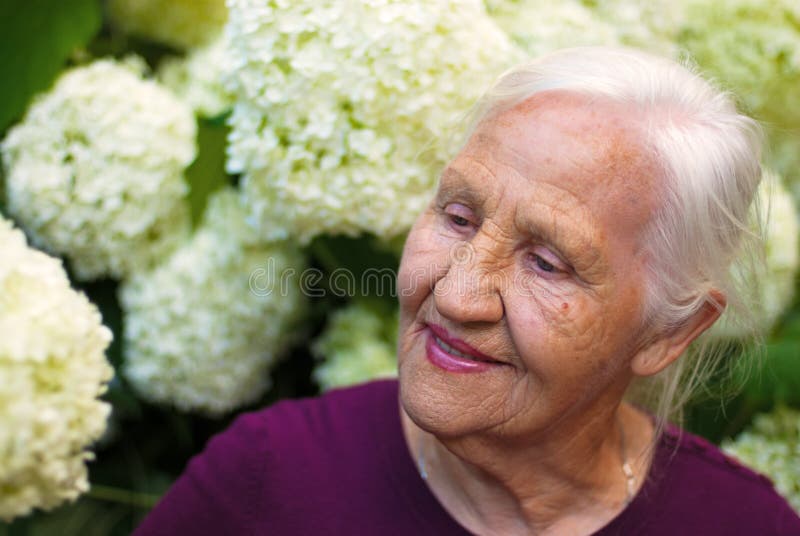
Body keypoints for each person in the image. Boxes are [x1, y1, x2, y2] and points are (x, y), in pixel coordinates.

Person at [134, 47, 800, 535]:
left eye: (547, 263)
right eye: (458, 217)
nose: (456, 297)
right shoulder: (270, 479)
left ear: (668, 333)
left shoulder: (741, 524)